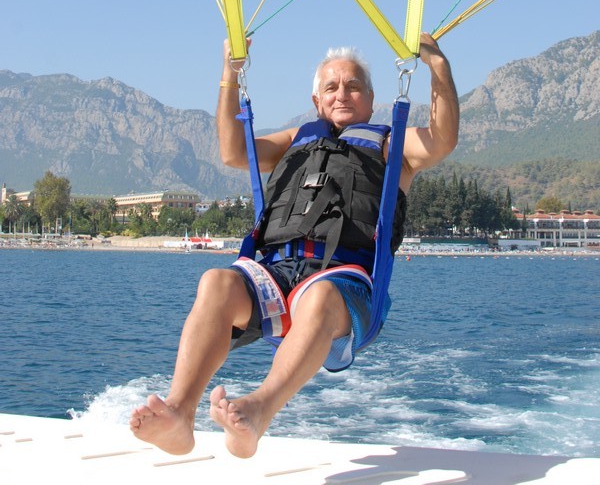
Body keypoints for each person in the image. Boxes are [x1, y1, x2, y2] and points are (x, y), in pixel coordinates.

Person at [130, 32, 459, 459]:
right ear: (317, 99)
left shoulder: (390, 144)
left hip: (345, 284)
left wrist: (438, 69)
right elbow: (233, 152)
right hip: (277, 275)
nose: (342, 93)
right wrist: (229, 75)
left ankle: (258, 411)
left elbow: (442, 139)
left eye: (353, 86)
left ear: (372, 98)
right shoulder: (294, 139)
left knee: (320, 294)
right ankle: (179, 412)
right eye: (332, 86)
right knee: (216, 281)